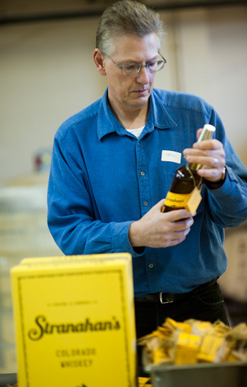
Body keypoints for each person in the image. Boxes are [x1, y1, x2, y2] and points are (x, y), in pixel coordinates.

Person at [47, 0, 247, 341]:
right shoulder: (73, 138)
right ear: (100, 62)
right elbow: (69, 233)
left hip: (200, 309)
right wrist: (134, 234)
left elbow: (238, 213)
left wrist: (221, 180)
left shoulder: (196, 115)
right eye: (129, 66)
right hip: (119, 314)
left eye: (152, 63)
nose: (144, 78)